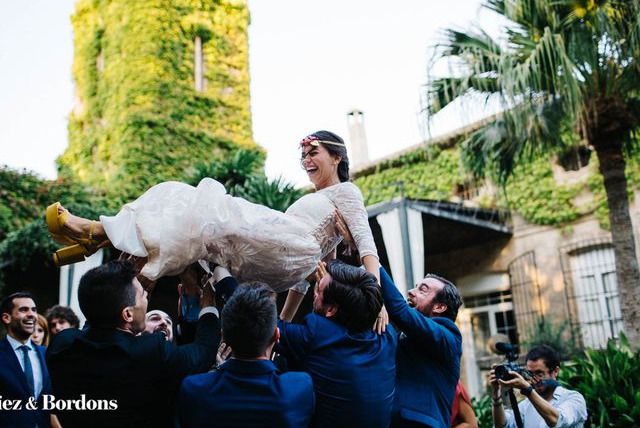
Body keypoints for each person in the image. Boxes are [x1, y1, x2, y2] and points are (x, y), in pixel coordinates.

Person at [45, 131, 386, 329]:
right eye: (303, 155)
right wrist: (279, 321)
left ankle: (95, 231)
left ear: (337, 158)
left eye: (314, 152)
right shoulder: (317, 201)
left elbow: (366, 243)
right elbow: (308, 275)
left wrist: (377, 301)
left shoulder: (346, 191)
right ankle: (105, 246)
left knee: (202, 205)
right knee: (194, 217)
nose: (307, 160)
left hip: (293, 248)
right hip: (286, 257)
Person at [46, 260, 224, 428]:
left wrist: (119, 283)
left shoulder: (62, 345)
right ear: (128, 315)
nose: (146, 295)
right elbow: (204, 350)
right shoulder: (150, 351)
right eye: (142, 295)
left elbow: (94, 324)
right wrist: (207, 303)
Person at [276, 260, 397, 428]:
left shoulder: (315, 334)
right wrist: (377, 303)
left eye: (318, 290)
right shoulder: (386, 335)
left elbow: (259, 319)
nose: (314, 293)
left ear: (331, 310)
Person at [177, 282, 315, 428]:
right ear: (276, 335)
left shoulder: (194, 389)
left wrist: (216, 371)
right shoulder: (298, 388)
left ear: (223, 335)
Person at [380, 266, 463, 428]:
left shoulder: (449, 335)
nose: (411, 291)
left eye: (422, 290)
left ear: (439, 307)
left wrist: (369, 255)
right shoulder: (402, 337)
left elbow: (399, 309)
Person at [489, 344, 588, 428]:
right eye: (530, 374)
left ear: (555, 371)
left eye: (539, 374)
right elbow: (502, 425)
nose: (534, 379)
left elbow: (557, 420)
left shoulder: (574, 399)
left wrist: (528, 390)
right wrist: (496, 393)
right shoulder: (527, 405)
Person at [0, 292, 53, 428]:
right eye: (24, 310)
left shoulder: (46, 354)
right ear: (6, 318)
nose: (31, 314)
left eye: (34, 310)